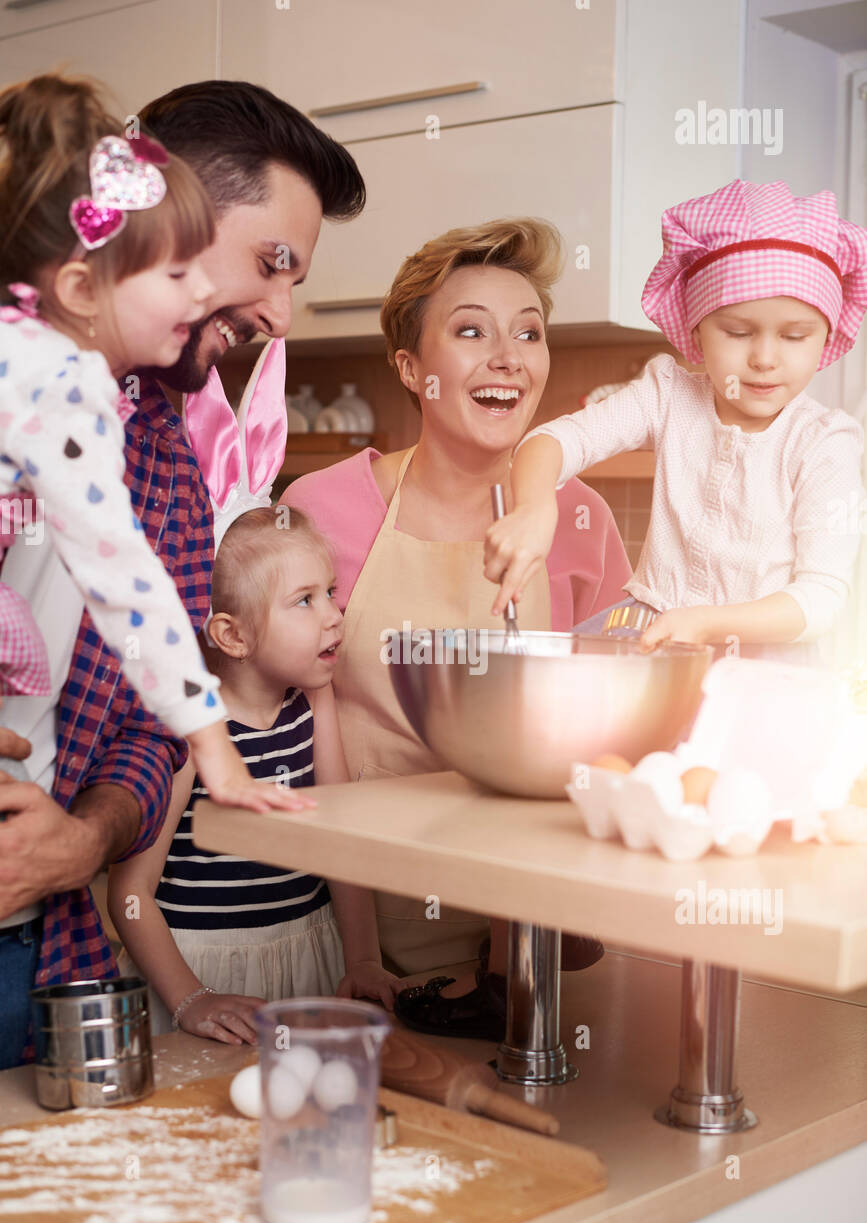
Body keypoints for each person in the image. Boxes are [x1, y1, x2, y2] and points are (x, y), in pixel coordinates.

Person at [0, 76, 365, 1067]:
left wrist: (83, 840)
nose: (280, 312)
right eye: (270, 262)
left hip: (42, 952)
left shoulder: (160, 453)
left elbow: (145, 722)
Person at [283, 217, 631, 1039]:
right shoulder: (320, 508)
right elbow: (266, 719)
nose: (507, 356)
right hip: (339, 933)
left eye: (528, 334)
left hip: (524, 943)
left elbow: (617, 731)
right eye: (470, 331)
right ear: (412, 367)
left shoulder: (577, 518)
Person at [0, 74, 312, 815]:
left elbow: (128, 593)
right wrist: (218, 753)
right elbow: (125, 577)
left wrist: (201, 750)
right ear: (81, 289)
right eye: (177, 270)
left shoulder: (162, 461)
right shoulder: (58, 382)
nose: (198, 293)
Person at [485, 180, 867, 662]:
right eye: (738, 331)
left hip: (765, 668)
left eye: (795, 336)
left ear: (826, 336)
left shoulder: (824, 444)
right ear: (696, 328)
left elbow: (820, 599)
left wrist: (704, 623)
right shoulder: (668, 395)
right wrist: (534, 510)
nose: (765, 359)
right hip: (652, 637)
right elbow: (556, 440)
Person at [109, 505, 398, 1042]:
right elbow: (130, 892)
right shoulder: (193, 726)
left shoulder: (314, 700)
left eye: (331, 592)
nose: (334, 615)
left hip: (309, 958)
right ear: (233, 636)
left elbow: (338, 839)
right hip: (199, 972)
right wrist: (193, 999)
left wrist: (360, 959)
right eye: (305, 601)